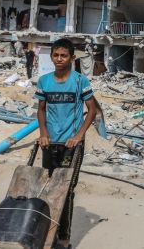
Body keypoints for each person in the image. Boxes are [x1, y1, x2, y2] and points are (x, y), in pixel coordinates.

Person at [35, 38, 99, 248]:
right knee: (48, 187)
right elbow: (41, 109)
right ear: (51, 57)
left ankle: (64, 238)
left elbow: (92, 111)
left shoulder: (80, 81)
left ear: (72, 58)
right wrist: (43, 133)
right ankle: (46, 234)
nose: (59, 59)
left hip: (72, 145)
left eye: (64, 55)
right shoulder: (44, 81)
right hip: (50, 143)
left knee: (67, 190)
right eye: (56, 55)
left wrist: (79, 136)